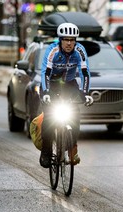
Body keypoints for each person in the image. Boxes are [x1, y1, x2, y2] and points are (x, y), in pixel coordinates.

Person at [39, 22, 93, 168]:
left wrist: (85, 93)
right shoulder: (52, 50)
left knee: (75, 115)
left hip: (69, 84)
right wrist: (45, 92)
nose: (69, 43)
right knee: (50, 117)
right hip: (51, 83)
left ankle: (72, 149)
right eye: (66, 39)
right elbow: (45, 73)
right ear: (60, 39)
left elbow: (85, 73)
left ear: (76, 41)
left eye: (72, 40)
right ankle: (46, 151)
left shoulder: (80, 50)